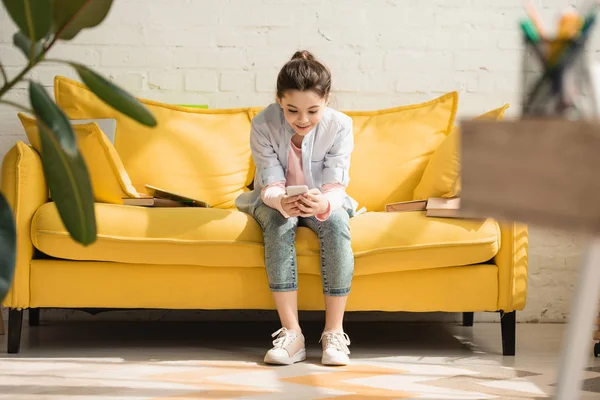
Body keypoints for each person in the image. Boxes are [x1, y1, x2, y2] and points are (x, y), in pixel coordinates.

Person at [235, 50, 358, 366]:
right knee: (279, 222)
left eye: (312, 111)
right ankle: (292, 334)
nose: (302, 120)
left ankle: (334, 332)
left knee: (335, 222)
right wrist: (281, 201)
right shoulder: (263, 123)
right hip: (273, 200)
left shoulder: (340, 126)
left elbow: (335, 184)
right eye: (292, 111)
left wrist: (323, 203)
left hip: (321, 199)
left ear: (327, 100)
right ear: (279, 100)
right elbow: (270, 181)